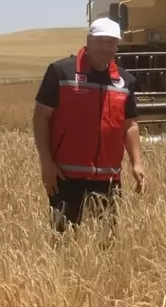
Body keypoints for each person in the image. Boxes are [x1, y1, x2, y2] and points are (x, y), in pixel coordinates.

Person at [32, 17, 146, 231]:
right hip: (65, 176)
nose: (106, 47)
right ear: (88, 41)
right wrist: (46, 162)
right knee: (63, 242)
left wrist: (136, 163)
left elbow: (129, 124)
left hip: (108, 177)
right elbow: (41, 116)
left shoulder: (125, 81)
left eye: (111, 42)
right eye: (101, 41)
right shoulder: (61, 73)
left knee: (107, 244)